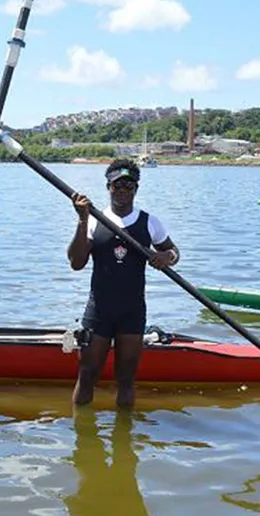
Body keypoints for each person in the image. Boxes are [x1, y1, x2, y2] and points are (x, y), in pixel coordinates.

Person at [67, 157, 179, 408]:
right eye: (117, 186)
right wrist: (82, 219)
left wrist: (166, 257)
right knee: (87, 376)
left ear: (136, 189)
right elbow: (76, 262)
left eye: (128, 186)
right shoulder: (94, 219)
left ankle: (124, 437)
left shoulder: (149, 222)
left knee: (126, 380)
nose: (122, 191)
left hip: (132, 312)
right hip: (99, 311)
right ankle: (82, 442)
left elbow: (174, 252)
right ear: (108, 188)